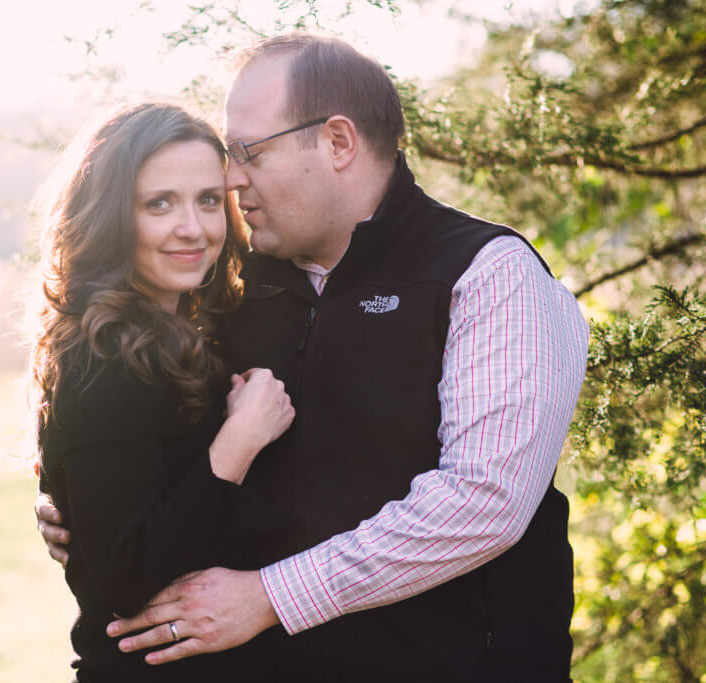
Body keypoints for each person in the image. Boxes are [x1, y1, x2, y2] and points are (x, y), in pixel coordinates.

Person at [37, 34, 589, 682]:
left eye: (249, 153)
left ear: (337, 142)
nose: (230, 176)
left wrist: (271, 596)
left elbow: (483, 502)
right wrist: (82, 498)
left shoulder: (487, 275)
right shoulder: (232, 284)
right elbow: (140, 427)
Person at [31, 102, 300, 682]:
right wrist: (240, 440)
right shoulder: (103, 358)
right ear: (109, 218)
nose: (194, 228)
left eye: (208, 199)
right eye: (160, 204)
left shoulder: (181, 333)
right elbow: (125, 579)